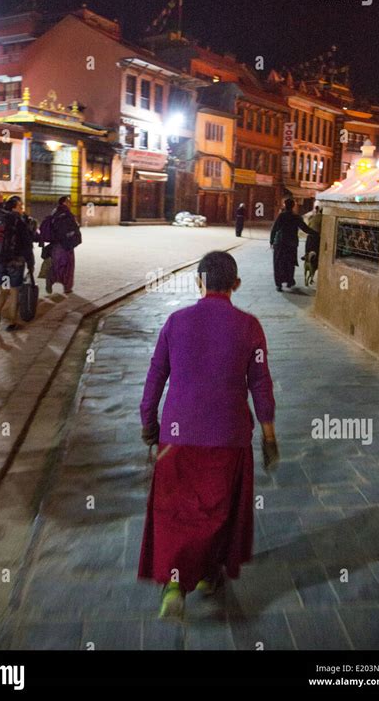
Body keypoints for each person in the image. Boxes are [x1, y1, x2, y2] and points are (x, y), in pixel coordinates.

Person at [138, 250, 279, 619]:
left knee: (173, 511)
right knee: (218, 511)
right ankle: (205, 576)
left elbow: (155, 377)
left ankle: (172, 584)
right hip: (227, 437)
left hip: (177, 435)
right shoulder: (250, 326)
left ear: (199, 281)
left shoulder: (175, 321)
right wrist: (268, 436)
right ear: (236, 285)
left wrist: (149, 425)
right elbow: (260, 384)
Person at [0, 196, 35, 332]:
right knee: (14, 292)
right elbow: (27, 244)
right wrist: (31, 263)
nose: (22, 209)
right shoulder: (18, 221)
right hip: (15, 263)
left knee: (3, 289)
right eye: (20, 206)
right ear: (14, 207)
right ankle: (12, 322)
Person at [270, 197, 318, 291]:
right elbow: (305, 228)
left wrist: (271, 241)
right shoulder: (296, 217)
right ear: (293, 206)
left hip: (280, 243)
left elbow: (274, 228)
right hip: (291, 243)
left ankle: (279, 284)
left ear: (285, 205)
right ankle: (289, 281)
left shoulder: (281, 216)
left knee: (278, 263)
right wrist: (316, 233)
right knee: (290, 263)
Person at [45, 196, 81, 294]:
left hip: (56, 244)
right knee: (68, 266)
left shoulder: (54, 212)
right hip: (67, 244)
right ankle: (67, 287)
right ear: (64, 202)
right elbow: (73, 227)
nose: (71, 203)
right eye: (69, 201)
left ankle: (51, 279)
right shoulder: (68, 214)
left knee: (57, 265)